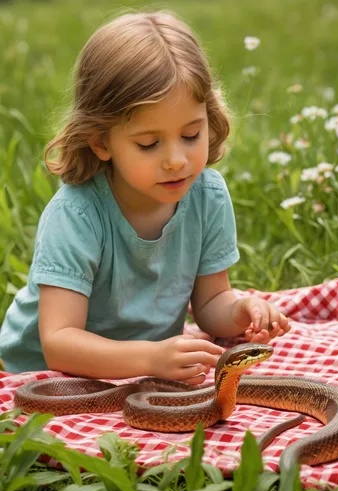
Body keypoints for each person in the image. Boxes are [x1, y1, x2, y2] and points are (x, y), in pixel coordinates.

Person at [0, 11, 290, 381]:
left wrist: (241, 310)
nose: (176, 160)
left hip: (144, 369)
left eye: (190, 135)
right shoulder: (77, 214)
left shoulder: (207, 196)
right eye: (149, 143)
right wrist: (151, 359)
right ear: (101, 141)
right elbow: (59, 342)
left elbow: (210, 303)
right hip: (47, 375)